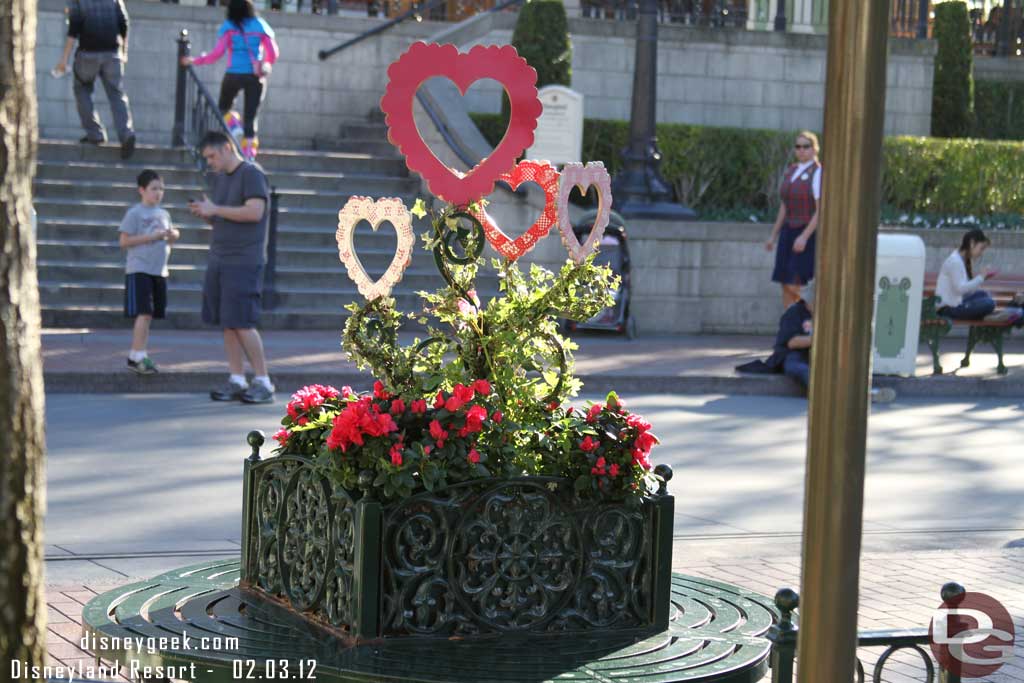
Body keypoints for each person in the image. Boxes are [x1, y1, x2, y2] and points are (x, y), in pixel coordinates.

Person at [190, 131, 275, 404]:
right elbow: (225, 216)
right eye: (207, 158)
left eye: (212, 156)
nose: (210, 162)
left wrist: (215, 210)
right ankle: (237, 378)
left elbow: (254, 212)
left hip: (244, 260)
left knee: (242, 322)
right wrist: (208, 214)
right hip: (220, 258)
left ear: (227, 148)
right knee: (228, 323)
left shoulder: (251, 174)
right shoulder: (220, 179)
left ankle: (263, 381)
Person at [736, 282, 896, 402]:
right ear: (808, 300)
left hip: (822, 352)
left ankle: (866, 392)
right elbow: (792, 343)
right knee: (798, 368)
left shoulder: (830, 313)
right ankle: (827, 394)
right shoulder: (794, 313)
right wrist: (822, 337)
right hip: (795, 354)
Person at [180, 0, 279, 162]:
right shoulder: (260, 25)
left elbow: (216, 54)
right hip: (255, 76)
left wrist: (194, 60)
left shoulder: (229, 26)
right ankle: (249, 156)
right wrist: (264, 64)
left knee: (224, 108)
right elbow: (273, 53)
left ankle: (233, 126)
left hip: (233, 73)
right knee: (251, 117)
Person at [53, 0, 137, 159]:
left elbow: (73, 32)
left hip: (88, 54)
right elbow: (124, 23)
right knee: (116, 94)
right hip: (113, 54)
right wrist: (124, 52)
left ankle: (94, 133)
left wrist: (64, 60)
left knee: (82, 89)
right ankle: (126, 134)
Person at [120, 170, 179, 374]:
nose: (158, 193)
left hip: (159, 270)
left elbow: (170, 236)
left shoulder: (164, 214)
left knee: (150, 315)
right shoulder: (135, 213)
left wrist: (173, 235)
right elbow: (124, 241)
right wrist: (151, 237)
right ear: (142, 190)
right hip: (140, 268)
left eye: (161, 189)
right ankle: (135, 355)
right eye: (154, 188)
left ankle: (141, 353)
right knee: (143, 313)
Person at [765, 131, 822, 308]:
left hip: (805, 232)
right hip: (788, 231)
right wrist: (773, 235)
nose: (802, 150)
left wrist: (804, 236)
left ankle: (812, 321)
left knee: (796, 285)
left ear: (814, 149)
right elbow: (784, 206)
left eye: (806, 146)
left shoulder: (818, 172)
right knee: (785, 282)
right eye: (798, 147)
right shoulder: (792, 170)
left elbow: (821, 211)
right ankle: (789, 327)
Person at [935, 229, 998, 321]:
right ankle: (985, 317)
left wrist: (982, 278)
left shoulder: (960, 260)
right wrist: (980, 277)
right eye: (981, 248)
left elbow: (966, 291)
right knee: (989, 303)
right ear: (972, 243)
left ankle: (984, 316)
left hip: (956, 304)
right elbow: (960, 289)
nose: (981, 253)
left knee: (984, 294)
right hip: (947, 309)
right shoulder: (954, 261)